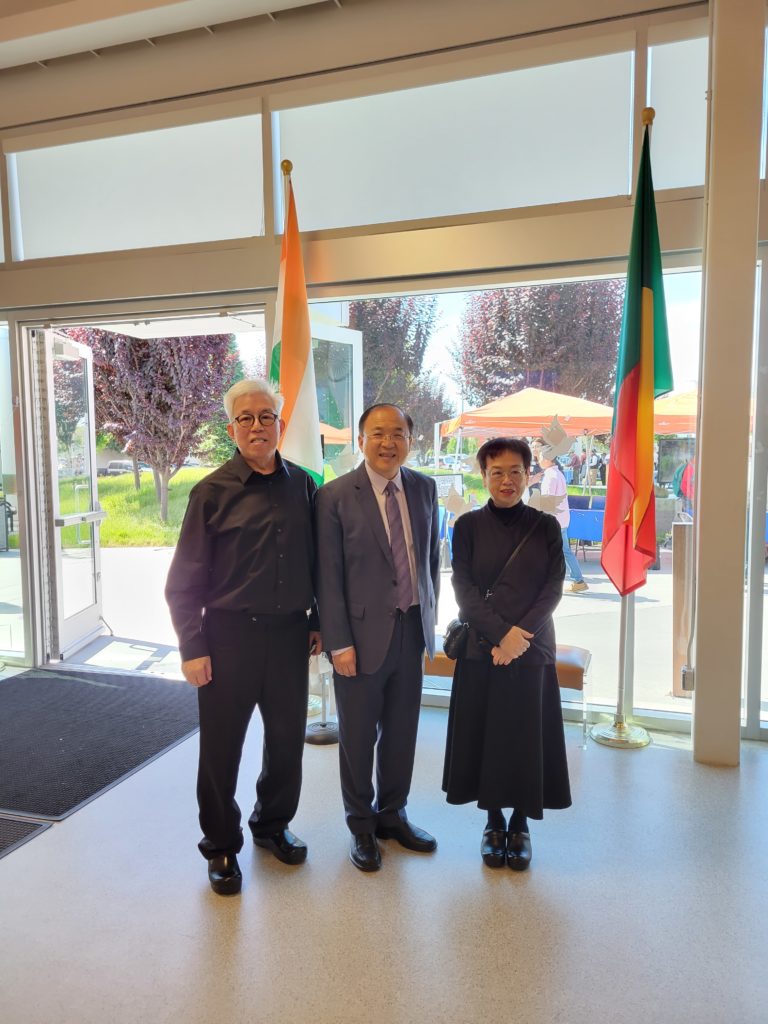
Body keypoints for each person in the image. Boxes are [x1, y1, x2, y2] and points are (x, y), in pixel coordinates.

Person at [165, 379, 320, 896]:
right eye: (246, 418)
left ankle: (272, 824)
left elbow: (318, 562)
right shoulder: (211, 492)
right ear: (231, 428)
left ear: (280, 424)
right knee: (221, 750)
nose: (257, 426)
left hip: (290, 636)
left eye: (266, 416)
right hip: (228, 638)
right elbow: (183, 582)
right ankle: (221, 844)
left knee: (286, 743)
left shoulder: (304, 486)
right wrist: (192, 647)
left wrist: (317, 619)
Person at [315, 403, 440, 872]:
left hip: (412, 628)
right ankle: (361, 825)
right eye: (379, 433)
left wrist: (429, 622)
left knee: (402, 732)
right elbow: (327, 576)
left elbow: (429, 562)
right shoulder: (334, 496)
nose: (389, 443)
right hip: (358, 637)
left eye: (398, 434)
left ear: (410, 439)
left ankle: (392, 814)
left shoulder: (424, 488)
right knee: (358, 736)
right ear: (361, 440)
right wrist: (338, 642)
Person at [443, 437, 571, 871]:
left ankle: (520, 823)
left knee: (525, 736)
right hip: (483, 647)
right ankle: (493, 821)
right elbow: (463, 589)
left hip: (531, 649)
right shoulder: (467, 526)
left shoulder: (545, 526)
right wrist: (500, 635)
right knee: (486, 736)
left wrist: (519, 637)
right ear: (483, 476)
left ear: (528, 475)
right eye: (496, 472)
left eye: (515, 471)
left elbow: (553, 587)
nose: (506, 480)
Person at [533, 441, 588, 593]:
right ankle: (577, 580)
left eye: (541, 456)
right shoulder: (557, 474)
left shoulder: (550, 477)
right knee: (562, 551)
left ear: (548, 458)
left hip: (553, 521)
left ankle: (561, 582)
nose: (539, 459)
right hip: (561, 519)